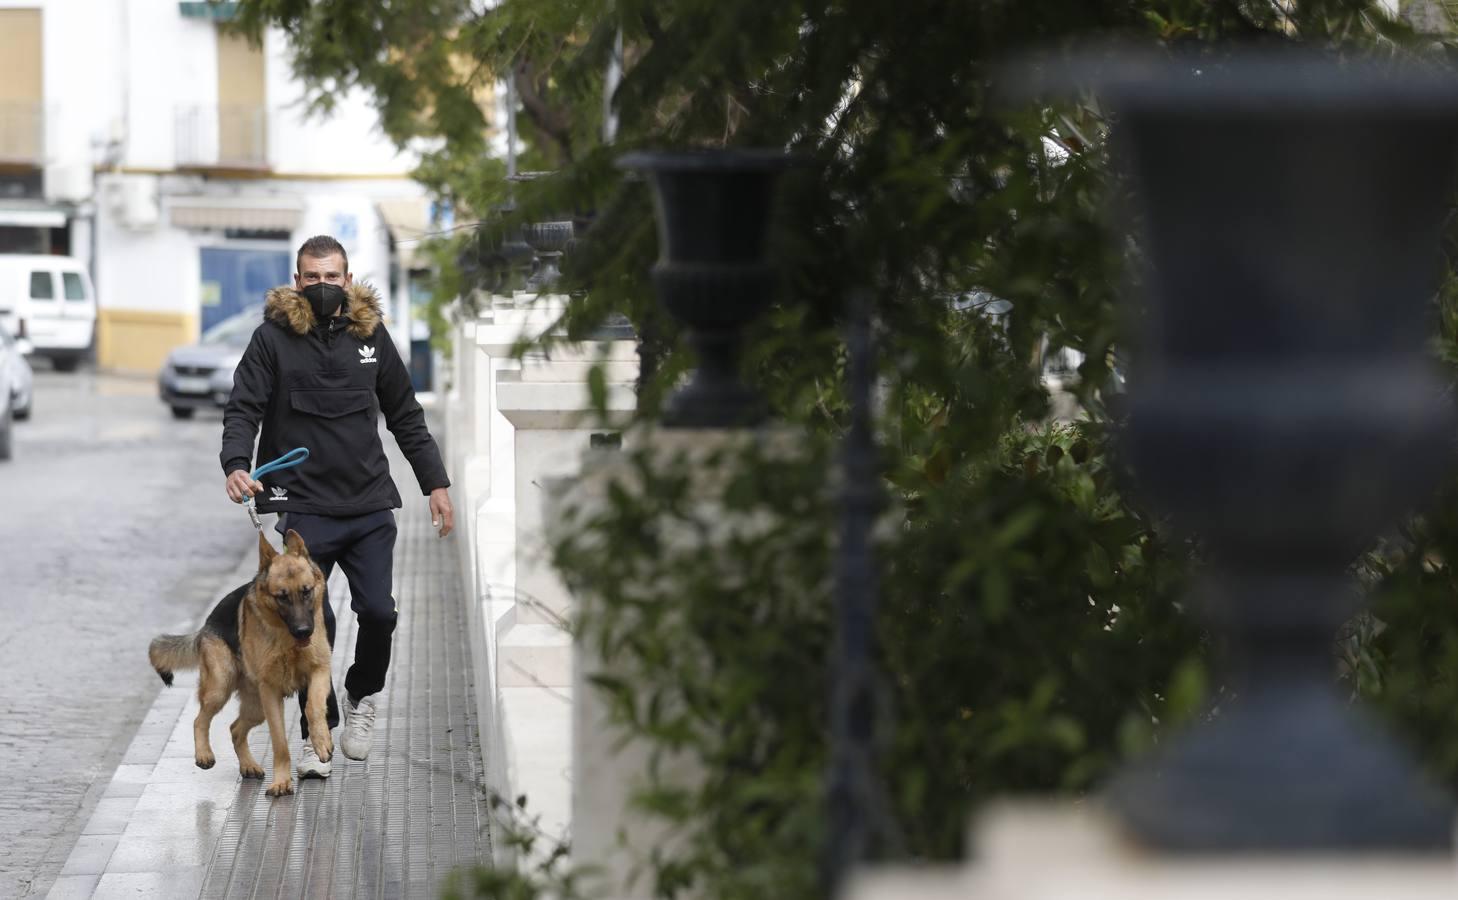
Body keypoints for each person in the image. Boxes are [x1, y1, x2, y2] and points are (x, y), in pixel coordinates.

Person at [220, 235, 453, 779]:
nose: (323, 287)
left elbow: (405, 414)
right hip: (305, 508)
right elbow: (243, 407)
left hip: (370, 502)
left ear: (347, 280)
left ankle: (361, 696)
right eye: (312, 278)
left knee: (379, 612)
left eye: (332, 277)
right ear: (297, 280)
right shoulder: (271, 340)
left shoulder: (372, 337)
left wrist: (435, 484)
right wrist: (236, 462)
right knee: (308, 621)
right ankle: (314, 734)